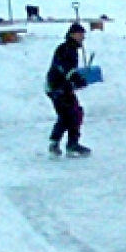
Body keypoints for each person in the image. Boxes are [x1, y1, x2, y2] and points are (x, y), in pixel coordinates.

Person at [45, 23, 91, 157]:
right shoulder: (66, 49)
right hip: (57, 88)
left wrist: (76, 80)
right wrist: (76, 79)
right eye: (80, 34)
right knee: (72, 114)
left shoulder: (70, 49)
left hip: (60, 87)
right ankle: (70, 144)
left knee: (70, 114)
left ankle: (61, 143)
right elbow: (64, 68)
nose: (82, 37)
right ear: (72, 34)